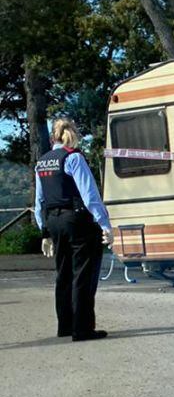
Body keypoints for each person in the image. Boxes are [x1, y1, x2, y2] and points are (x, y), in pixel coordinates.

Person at [34, 118, 113, 342]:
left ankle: (65, 325)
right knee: (83, 275)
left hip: (54, 221)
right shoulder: (73, 157)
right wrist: (104, 225)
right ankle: (82, 328)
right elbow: (90, 196)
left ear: (53, 137)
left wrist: (45, 232)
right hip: (77, 219)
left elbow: (39, 201)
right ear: (73, 133)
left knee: (64, 273)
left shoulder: (42, 162)